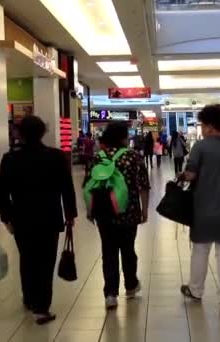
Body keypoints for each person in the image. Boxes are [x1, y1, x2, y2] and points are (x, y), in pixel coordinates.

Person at [0, 115, 77, 325]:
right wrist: (70, 214)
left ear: (19, 133)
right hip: (49, 217)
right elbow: (67, 188)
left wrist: (6, 217)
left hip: (21, 218)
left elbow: (2, 192)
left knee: (27, 258)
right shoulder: (56, 157)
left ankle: (29, 298)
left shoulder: (10, 159)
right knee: (46, 261)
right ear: (43, 132)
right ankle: (42, 308)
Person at [179, 104, 220, 312]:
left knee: (200, 250)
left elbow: (191, 174)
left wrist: (182, 176)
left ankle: (196, 291)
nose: (203, 129)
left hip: (205, 206)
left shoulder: (201, 146)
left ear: (209, 126)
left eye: (203, 125)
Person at [87, 122, 150, 310]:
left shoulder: (98, 158)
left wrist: (90, 210)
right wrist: (144, 210)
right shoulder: (133, 157)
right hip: (128, 212)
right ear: (124, 137)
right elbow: (144, 186)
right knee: (128, 249)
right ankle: (130, 286)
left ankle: (110, 294)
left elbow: (89, 186)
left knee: (109, 252)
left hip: (104, 213)